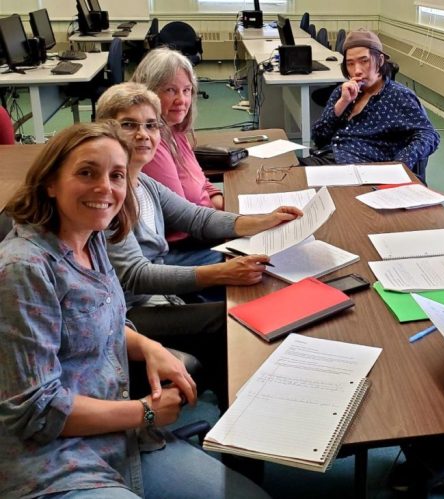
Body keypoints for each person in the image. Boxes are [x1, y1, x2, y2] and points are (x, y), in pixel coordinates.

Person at [0, 122, 269, 499]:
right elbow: (35, 410)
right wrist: (142, 412)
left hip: (121, 438)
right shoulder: (24, 269)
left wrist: (148, 347)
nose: (105, 188)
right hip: (54, 461)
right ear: (50, 182)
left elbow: (102, 316)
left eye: (116, 176)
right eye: (86, 173)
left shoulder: (92, 238)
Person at [95, 82, 302, 405]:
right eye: (129, 125)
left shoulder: (143, 181)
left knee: (236, 306)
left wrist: (263, 220)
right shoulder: (108, 195)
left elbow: (198, 218)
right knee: (227, 320)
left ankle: (232, 399)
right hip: (126, 313)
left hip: (155, 299)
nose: (143, 135)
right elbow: (135, 275)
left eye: (151, 125)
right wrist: (219, 274)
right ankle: (236, 427)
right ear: (104, 130)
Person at [302, 29, 440, 182]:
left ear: (380, 61)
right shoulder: (343, 92)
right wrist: (342, 103)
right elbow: (318, 138)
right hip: (328, 161)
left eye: (364, 61)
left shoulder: (398, 96)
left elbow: (429, 135)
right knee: (283, 178)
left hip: (362, 173)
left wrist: (399, 164)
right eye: (350, 64)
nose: (357, 70)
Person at [131, 47, 222, 252]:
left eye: (187, 90)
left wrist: (227, 206)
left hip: (204, 225)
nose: (182, 100)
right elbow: (183, 218)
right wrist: (232, 219)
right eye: (170, 90)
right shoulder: (151, 146)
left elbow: (202, 183)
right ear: (148, 93)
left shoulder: (175, 130)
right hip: (182, 243)